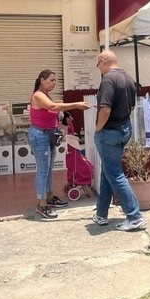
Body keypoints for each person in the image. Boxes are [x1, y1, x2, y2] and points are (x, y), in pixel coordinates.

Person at [92, 50, 146, 231]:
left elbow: (105, 109)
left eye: (98, 64)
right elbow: (131, 107)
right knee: (108, 171)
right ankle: (101, 214)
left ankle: (134, 215)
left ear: (103, 61)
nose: (98, 68)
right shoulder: (129, 78)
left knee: (114, 173)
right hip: (123, 129)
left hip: (109, 131)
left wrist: (98, 128)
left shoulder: (108, 79)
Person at [29, 70, 90, 219]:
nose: (54, 83)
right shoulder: (38, 95)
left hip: (49, 135)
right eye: (51, 80)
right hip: (40, 136)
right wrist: (76, 104)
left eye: (55, 80)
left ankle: (50, 198)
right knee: (43, 171)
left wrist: (63, 114)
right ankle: (41, 205)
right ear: (42, 80)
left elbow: (54, 107)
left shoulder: (46, 95)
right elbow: (53, 107)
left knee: (49, 169)